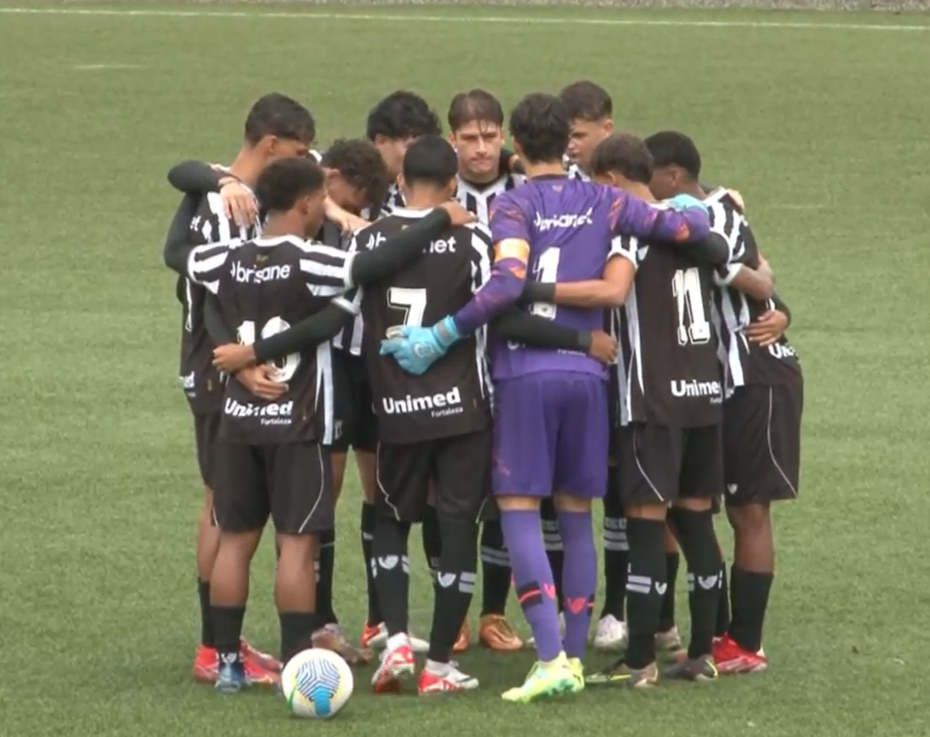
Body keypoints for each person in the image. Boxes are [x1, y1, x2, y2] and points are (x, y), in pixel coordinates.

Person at [381, 94, 711, 702]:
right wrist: (694, 206)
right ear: (567, 143)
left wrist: (443, 333)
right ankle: (577, 655)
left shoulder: (512, 205)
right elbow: (686, 228)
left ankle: (551, 656)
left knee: (518, 508)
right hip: (588, 376)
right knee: (577, 512)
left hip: (525, 374)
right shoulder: (607, 199)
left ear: (516, 146)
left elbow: (508, 284)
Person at [163, 155, 475, 692]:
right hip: (300, 423)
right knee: (298, 543)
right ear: (308, 204)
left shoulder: (226, 256)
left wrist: (238, 354)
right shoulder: (314, 260)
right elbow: (379, 264)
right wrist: (441, 217)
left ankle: (227, 665)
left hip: (237, 422)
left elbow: (177, 255)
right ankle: (294, 664)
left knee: (235, 540)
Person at [168, 92, 315, 686]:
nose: (306, 159)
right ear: (273, 145)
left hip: (224, 359)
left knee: (226, 508)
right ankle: (212, 650)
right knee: (221, 507)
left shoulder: (239, 192)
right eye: (299, 151)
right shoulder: (220, 201)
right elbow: (200, 285)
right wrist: (237, 362)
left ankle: (222, 646)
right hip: (217, 363)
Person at [645, 130, 802, 674]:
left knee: (747, 507)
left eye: (649, 179)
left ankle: (746, 644)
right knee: (689, 504)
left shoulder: (712, 216)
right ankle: (709, 630)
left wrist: (778, 304)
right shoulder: (697, 211)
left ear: (669, 176)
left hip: (755, 375)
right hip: (710, 382)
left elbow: (758, 280)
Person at [581, 133, 729, 688]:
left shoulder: (629, 230)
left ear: (613, 180)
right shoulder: (696, 224)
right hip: (704, 401)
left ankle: (639, 659)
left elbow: (611, 294)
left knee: (645, 528)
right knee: (696, 526)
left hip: (651, 401)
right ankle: (702, 654)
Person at [446, 89, 525, 652]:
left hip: (514, 357)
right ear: (452, 141)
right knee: (448, 495)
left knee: (506, 490)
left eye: (490, 135)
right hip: (448, 361)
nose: (481, 148)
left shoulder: (528, 190)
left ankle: (495, 612)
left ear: (505, 137)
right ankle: (452, 613)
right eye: (469, 138)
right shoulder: (430, 191)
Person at [559, 80, 614, 182]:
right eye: (564, 136)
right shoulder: (552, 176)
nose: (569, 146)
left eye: (578, 136)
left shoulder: (630, 174)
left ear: (607, 128)